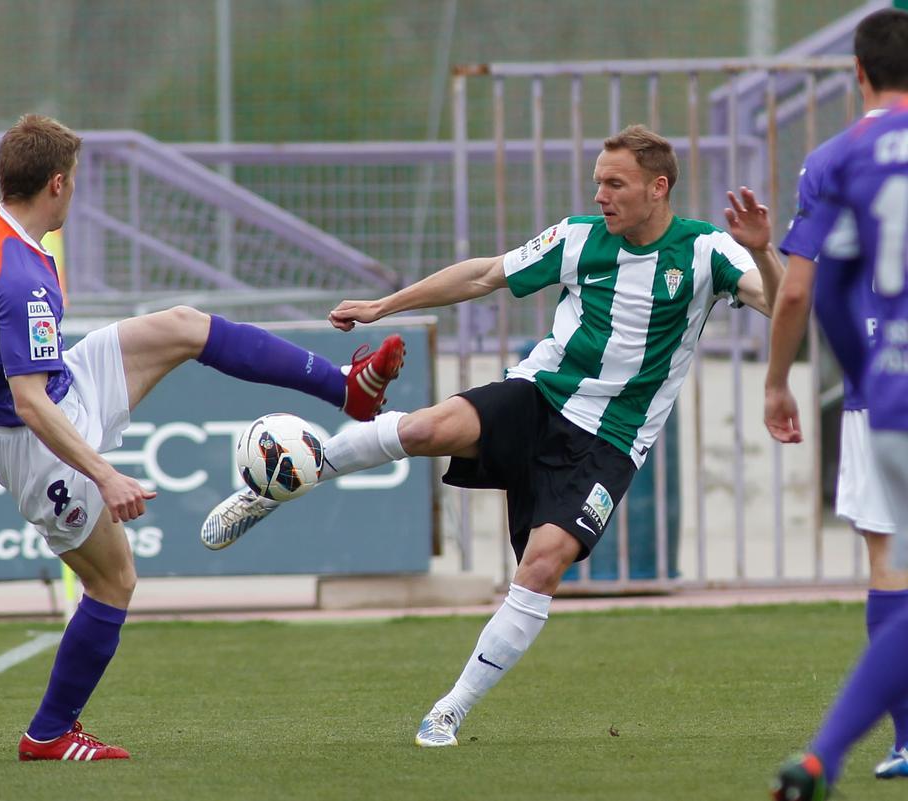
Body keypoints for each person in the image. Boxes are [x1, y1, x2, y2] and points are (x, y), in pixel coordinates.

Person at [0, 113, 406, 762]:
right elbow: (30, 401)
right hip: (36, 442)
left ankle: (347, 390)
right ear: (55, 183)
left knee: (185, 325)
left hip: (63, 387)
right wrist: (104, 472)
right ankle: (48, 732)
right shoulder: (24, 280)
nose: (75, 191)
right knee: (115, 582)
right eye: (73, 180)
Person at [199, 125, 784, 745]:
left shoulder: (706, 251)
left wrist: (767, 253)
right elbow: (484, 275)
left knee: (542, 566)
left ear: (658, 188)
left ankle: (449, 710)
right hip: (539, 395)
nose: (602, 196)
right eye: (598, 184)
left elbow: (780, 303)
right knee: (427, 427)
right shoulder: (580, 237)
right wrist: (382, 307)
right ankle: (279, 486)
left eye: (616, 184)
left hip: (610, 441)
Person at [763, 8, 908, 786]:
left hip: (885, 394)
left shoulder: (834, 156)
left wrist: (788, 380)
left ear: (857, 72)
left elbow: (802, 295)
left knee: (891, 557)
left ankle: (898, 740)